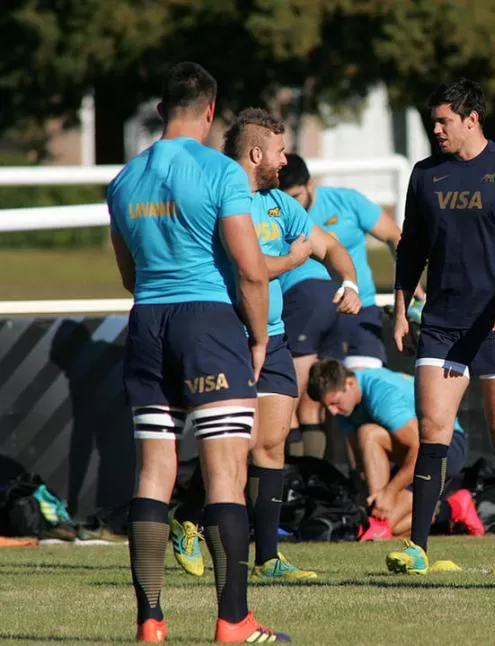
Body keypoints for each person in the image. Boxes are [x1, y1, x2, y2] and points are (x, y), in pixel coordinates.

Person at [106, 63, 287, 643]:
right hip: (207, 323)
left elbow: (130, 276)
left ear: (161, 111)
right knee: (225, 475)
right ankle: (234, 620)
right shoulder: (222, 172)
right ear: (211, 112)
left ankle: (150, 622)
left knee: (154, 473)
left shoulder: (124, 180)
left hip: (148, 324)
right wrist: (258, 338)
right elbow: (252, 270)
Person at [166, 107, 362, 582]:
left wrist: (349, 281)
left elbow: (329, 247)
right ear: (256, 154)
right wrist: (292, 258)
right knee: (240, 443)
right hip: (226, 334)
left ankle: (268, 557)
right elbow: (249, 271)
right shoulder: (221, 198)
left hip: (272, 337)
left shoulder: (279, 203)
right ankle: (187, 518)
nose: (285, 158)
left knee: (271, 444)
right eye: (278, 150)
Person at [386, 78, 495, 576]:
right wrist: (400, 309)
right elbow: (410, 248)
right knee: (432, 431)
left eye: (443, 121)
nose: (435, 129)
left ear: (471, 119)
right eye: (433, 120)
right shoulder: (424, 175)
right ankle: (417, 546)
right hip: (442, 323)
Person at [277, 154, 424, 460]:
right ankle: (310, 488)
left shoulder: (345, 201)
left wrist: (411, 284)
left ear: (310, 185)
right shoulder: (276, 212)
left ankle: (362, 490)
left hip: (359, 309)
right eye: (285, 197)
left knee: (358, 397)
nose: (291, 203)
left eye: (296, 197)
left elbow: (395, 235)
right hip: (304, 310)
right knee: (306, 400)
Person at [306, 359, 484, 540]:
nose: (332, 412)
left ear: (350, 383)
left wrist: (389, 493)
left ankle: (444, 510)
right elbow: (361, 462)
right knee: (387, 527)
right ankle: (451, 508)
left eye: (335, 403)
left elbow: (421, 449)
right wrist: (368, 499)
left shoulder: (382, 395)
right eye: (327, 406)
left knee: (369, 434)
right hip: (415, 452)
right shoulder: (344, 408)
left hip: (444, 448)